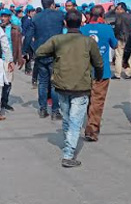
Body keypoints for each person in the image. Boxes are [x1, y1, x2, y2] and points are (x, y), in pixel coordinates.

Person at [35, 10, 103, 168]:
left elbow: (39, 52)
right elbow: (98, 63)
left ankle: (68, 146)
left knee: (67, 119)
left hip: (62, 85)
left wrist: (56, 56)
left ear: (65, 23)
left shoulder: (57, 40)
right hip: (81, 86)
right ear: (81, 23)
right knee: (74, 121)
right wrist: (98, 76)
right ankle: (68, 154)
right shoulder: (88, 42)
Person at [80, 6, 118, 142]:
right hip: (102, 71)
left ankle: (90, 123)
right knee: (98, 101)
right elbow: (115, 45)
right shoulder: (107, 29)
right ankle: (92, 128)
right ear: (102, 15)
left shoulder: (82, 30)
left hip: (85, 70)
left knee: (88, 99)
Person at [24, 0, 64, 119]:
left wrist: (24, 51)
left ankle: (42, 109)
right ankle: (55, 111)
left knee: (43, 82)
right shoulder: (59, 15)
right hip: (55, 53)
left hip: (41, 53)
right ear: (52, 4)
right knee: (54, 83)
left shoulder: (36, 17)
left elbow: (29, 35)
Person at [0, 10, 23, 112]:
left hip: (9, 59)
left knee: (8, 82)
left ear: (9, 17)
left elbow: (18, 44)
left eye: (5, 16)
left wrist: (19, 58)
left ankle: (4, 102)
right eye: (2, 16)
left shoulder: (16, 29)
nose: (3, 18)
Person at [113, 2, 131, 79]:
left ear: (121, 9)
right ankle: (129, 73)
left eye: (118, 9)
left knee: (119, 56)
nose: (116, 10)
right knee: (130, 55)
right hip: (130, 38)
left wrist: (115, 35)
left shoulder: (119, 16)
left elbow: (117, 27)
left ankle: (117, 73)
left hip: (120, 38)